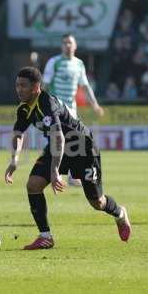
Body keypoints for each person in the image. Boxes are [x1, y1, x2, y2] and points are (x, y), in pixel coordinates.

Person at [4, 67, 131, 250]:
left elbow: (58, 136)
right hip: (58, 148)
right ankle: (45, 236)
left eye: (23, 85)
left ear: (36, 87)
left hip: (82, 148)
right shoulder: (24, 108)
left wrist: (55, 170)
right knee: (33, 184)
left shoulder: (47, 103)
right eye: (17, 85)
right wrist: (14, 159)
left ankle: (120, 213)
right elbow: (18, 133)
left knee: (97, 202)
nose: (19, 89)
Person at [43, 34, 104, 186]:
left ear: (75, 45)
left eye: (70, 42)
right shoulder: (54, 62)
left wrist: (95, 105)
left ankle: (70, 175)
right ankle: (58, 173)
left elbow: (85, 86)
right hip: (56, 109)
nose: (67, 45)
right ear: (61, 46)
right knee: (61, 141)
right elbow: (44, 85)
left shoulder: (79, 64)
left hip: (72, 110)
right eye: (64, 43)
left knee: (74, 141)